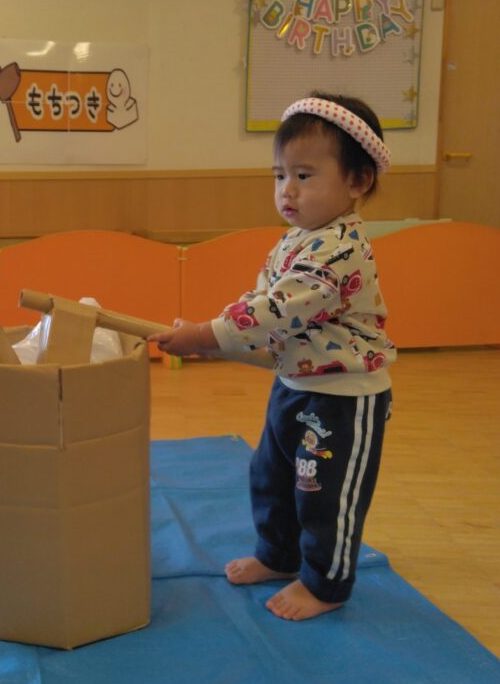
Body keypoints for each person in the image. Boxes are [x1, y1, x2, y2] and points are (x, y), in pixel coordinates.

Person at [150, 93, 396, 621]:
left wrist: (207, 334)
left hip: (342, 400)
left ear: (358, 181)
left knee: (325, 496)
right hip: (295, 385)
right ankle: (280, 556)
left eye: (304, 176)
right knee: (274, 478)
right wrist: (217, 342)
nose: (287, 189)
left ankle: (326, 585)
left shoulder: (340, 249)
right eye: (280, 175)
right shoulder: (294, 240)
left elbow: (277, 310)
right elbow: (259, 304)